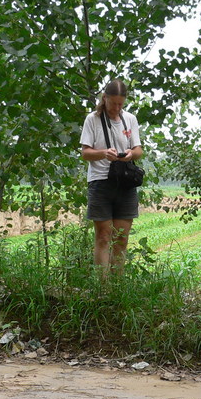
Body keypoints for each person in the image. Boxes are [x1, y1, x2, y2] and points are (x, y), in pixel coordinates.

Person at [80, 79, 143, 274]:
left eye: (121, 104)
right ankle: (103, 289)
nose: (117, 108)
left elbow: (139, 149)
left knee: (122, 237)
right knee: (103, 237)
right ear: (104, 98)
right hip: (100, 182)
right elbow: (85, 153)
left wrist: (132, 154)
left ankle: (118, 287)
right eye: (113, 103)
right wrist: (103, 153)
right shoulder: (92, 119)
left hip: (125, 183)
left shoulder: (130, 119)